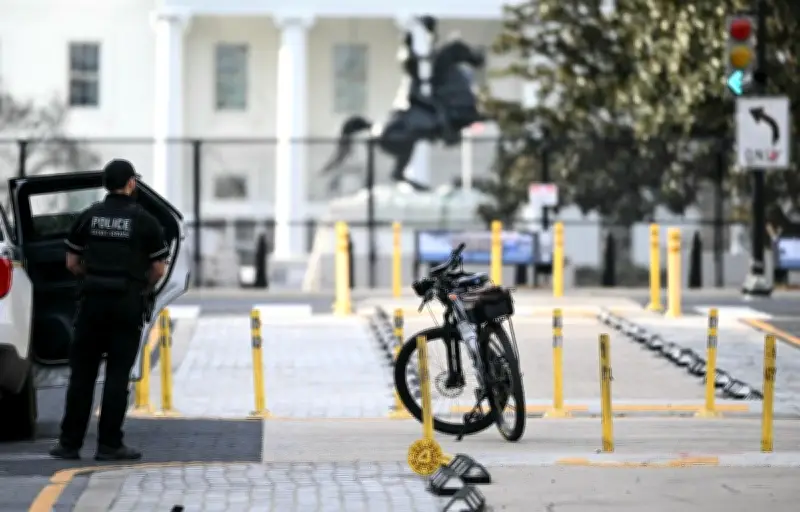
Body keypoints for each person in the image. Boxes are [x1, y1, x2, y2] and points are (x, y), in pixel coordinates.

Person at [49, 159, 169, 461]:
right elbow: (159, 268)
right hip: (126, 305)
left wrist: (91, 277)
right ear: (131, 183)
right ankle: (109, 445)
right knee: (117, 376)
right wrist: (142, 287)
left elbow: (71, 262)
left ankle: (69, 444)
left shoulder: (88, 217)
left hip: (91, 305)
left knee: (82, 376)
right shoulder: (145, 221)